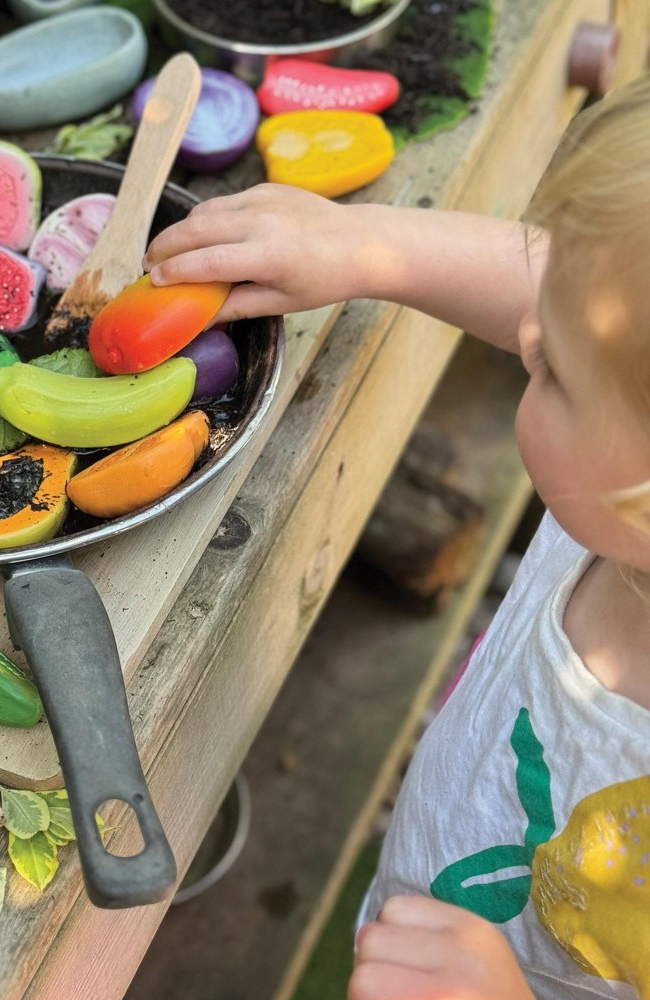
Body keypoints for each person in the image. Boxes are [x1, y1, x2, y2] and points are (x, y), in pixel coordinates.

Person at [143, 74, 650, 1000]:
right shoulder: (619, 501)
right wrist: (371, 246)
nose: (526, 334)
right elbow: (582, 297)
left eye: (551, 367)